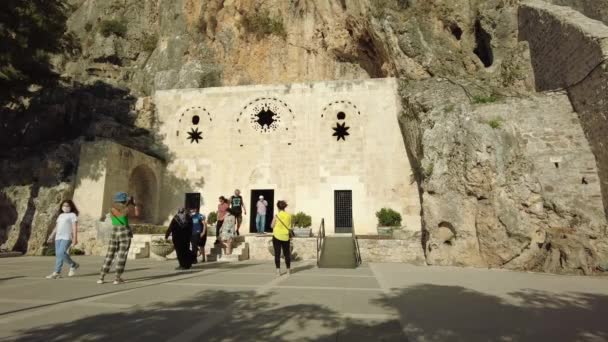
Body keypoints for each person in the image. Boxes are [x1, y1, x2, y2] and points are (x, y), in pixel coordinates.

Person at [98, 192, 136, 285]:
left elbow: (102, 218)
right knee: (122, 255)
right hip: (124, 233)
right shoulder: (126, 209)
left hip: (114, 232)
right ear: (124, 200)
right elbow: (133, 214)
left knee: (110, 255)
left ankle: (101, 277)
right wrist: (131, 203)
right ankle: (117, 278)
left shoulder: (111, 209)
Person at [45, 200, 80, 279]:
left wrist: (75, 238)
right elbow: (57, 227)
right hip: (58, 237)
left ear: (71, 207)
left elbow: (74, 227)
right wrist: (51, 236)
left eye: (67, 206)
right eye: (64, 206)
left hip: (67, 237)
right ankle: (57, 272)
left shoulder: (72, 215)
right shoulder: (60, 215)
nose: (65, 207)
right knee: (58, 255)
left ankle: (73, 265)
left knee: (61, 253)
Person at [271, 200, 293, 276]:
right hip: (286, 236)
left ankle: (278, 271)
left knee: (277, 254)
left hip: (277, 236)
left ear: (278, 207)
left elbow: (272, 226)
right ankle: (288, 271)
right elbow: (290, 226)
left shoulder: (277, 216)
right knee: (287, 254)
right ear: (284, 207)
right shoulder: (289, 216)